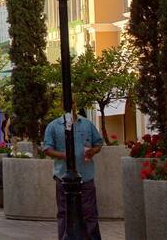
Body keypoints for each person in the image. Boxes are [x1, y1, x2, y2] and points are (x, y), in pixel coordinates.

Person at [42, 102, 104, 240]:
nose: (72, 106)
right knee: (64, 212)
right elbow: (47, 149)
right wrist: (65, 155)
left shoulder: (87, 124)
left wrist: (92, 151)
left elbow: (98, 143)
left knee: (89, 212)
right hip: (63, 175)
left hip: (86, 175)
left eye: (73, 103)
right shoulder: (54, 126)